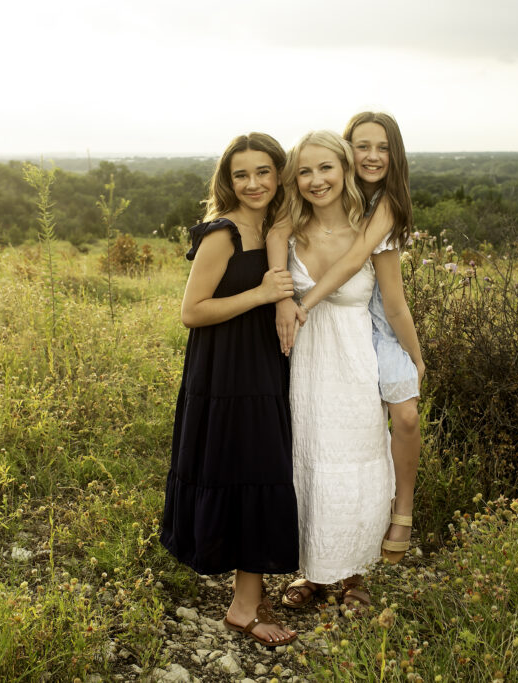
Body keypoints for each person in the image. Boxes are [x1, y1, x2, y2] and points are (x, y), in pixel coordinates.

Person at [269, 112, 424, 578]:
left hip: (365, 336)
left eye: (382, 147)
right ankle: (312, 569)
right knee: (311, 454)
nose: (372, 156)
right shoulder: (292, 224)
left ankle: (378, 542)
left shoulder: (383, 211)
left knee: (383, 436)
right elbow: (276, 231)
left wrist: (415, 356)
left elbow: (382, 289)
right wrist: (283, 300)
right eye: (306, 171)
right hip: (313, 351)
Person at [159, 132, 299, 647]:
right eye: (241, 174)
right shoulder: (223, 234)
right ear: (227, 179)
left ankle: (251, 592)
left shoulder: (279, 225)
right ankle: (243, 608)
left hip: (267, 365)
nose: (253, 183)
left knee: (262, 471)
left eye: (263, 171)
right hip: (227, 372)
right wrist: (261, 292)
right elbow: (191, 312)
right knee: (249, 472)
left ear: (279, 173)